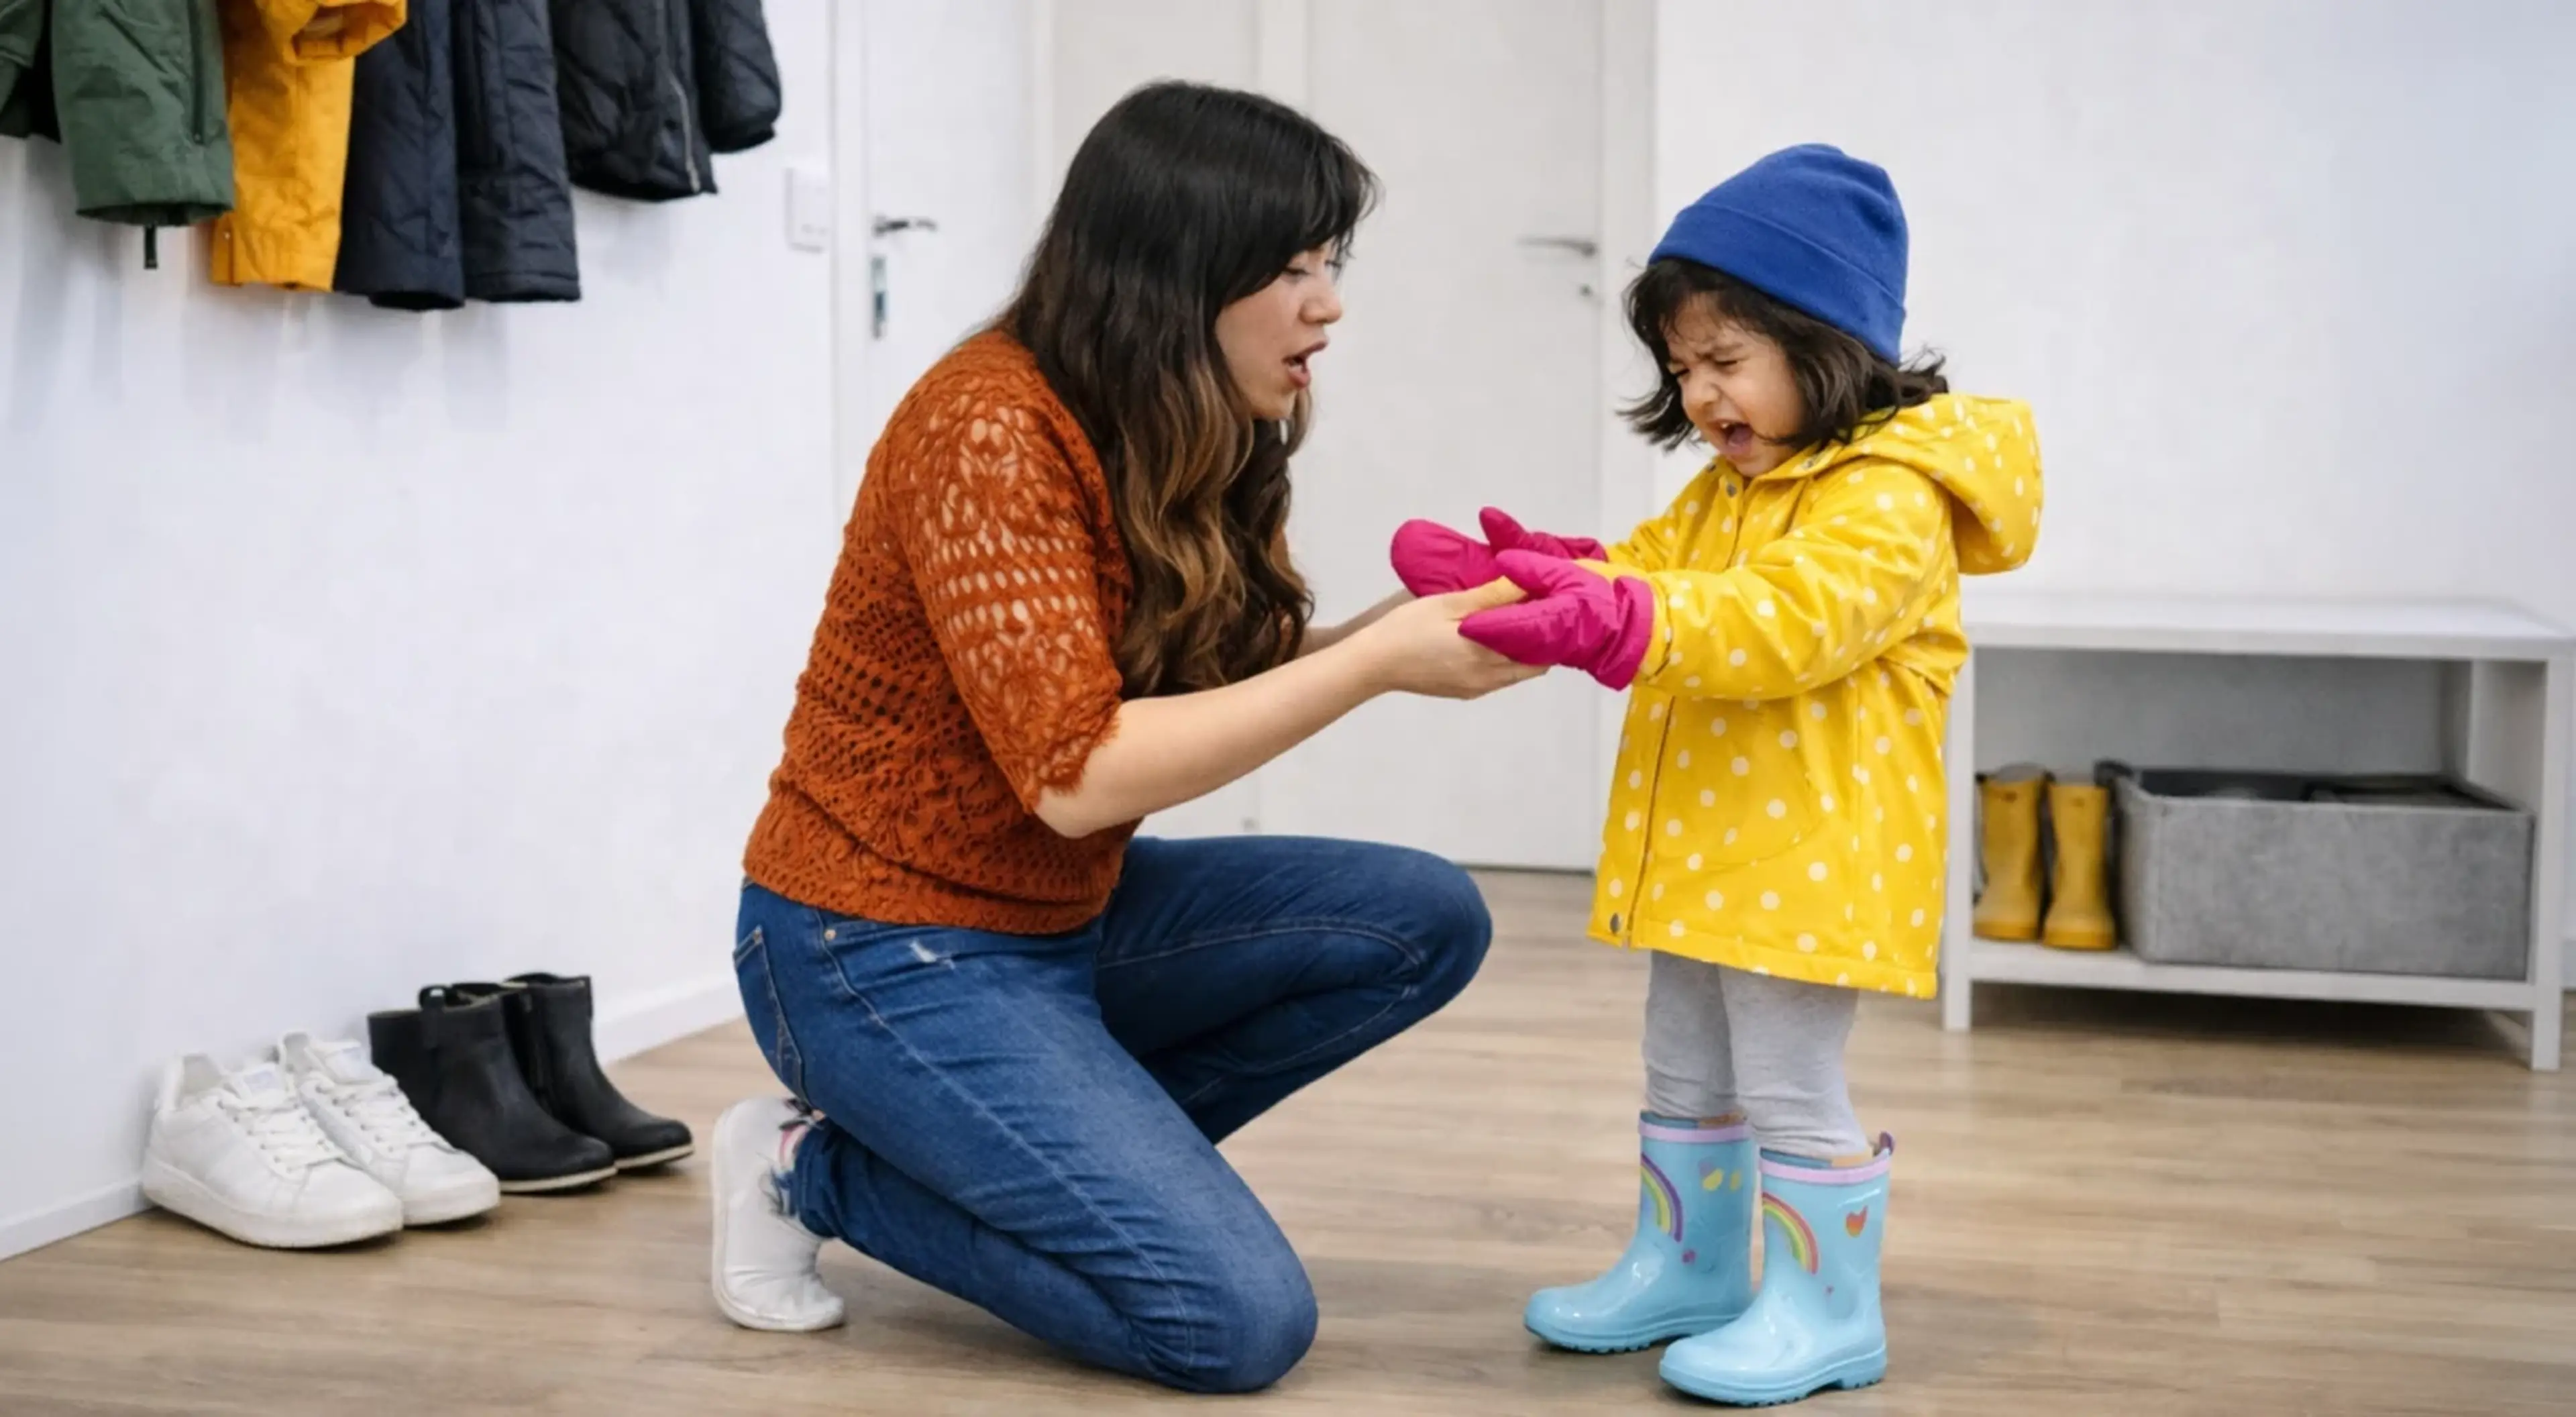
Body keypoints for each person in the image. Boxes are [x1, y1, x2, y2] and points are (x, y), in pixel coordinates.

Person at [708, 81, 1540, 1395]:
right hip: (871, 946)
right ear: (1176, 269)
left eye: (1331, 263)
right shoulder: (986, 424)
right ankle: (809, 1170)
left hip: (1056, 925)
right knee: (1233, 1322)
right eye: (1292, 267)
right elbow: (1080, 779)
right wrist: (1377, 663)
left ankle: (1029, 1164)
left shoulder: (1193, 422)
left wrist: (1392, 638)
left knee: (1420, 918)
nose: (1327, 302)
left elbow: (1202, 683)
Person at [1392, 144, 2044, 1406]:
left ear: (1826, 340)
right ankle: (1687, 1269)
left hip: (1811, 856)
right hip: (1712, 850)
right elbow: (1654, 563)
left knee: (1792, 1088)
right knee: (1682, 1067)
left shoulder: (1891, 500)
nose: (1699, 396)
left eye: (1724, 362)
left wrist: (1612, 619)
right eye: (1682, 368)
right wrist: (1548, 567)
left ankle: (1827, 1309)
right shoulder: (1733, 486)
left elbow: (1782, 622)